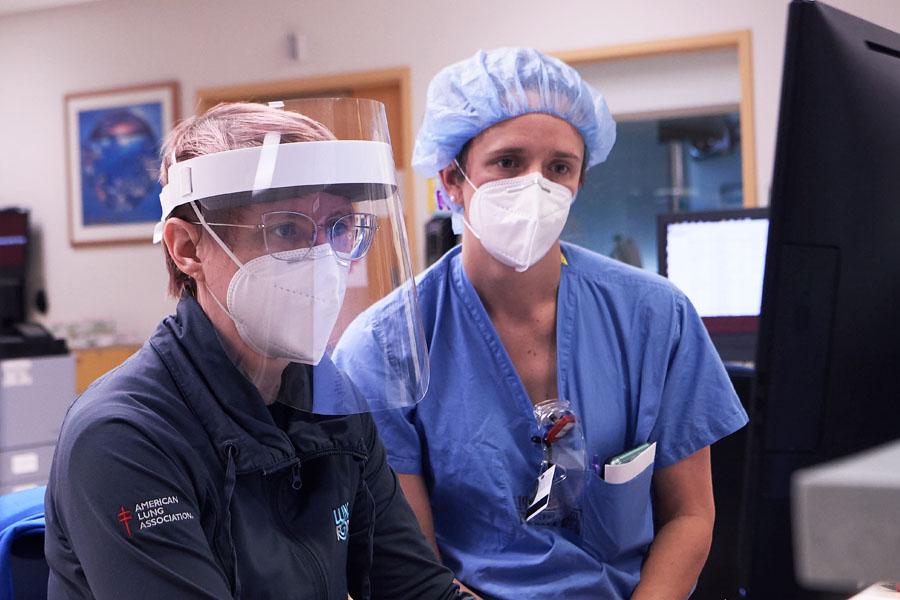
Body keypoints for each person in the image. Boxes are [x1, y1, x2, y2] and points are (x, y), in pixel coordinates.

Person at [334, 48, 749, 599]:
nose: (536, 187)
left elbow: (690, 516)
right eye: (507, 162)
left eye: (559, 167)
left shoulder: (656, 318)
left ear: (578, 179)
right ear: (452, 179)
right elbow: (413, 569)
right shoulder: (386, 348)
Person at [44, 100, 467, 600]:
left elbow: (417, 589)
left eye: (338, 229)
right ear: (187, 248)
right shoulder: (124, 436)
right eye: (285, 229)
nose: (322, 260)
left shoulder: (332, 401)